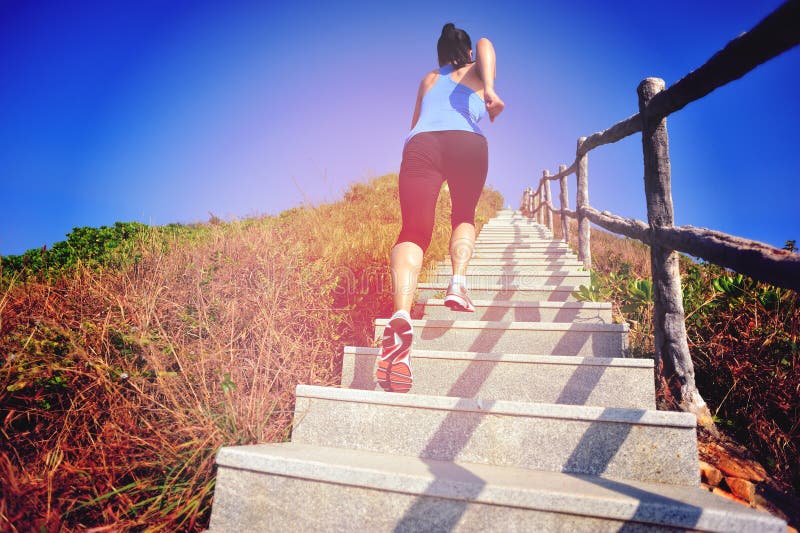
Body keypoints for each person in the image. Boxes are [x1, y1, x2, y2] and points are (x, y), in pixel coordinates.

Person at [377, 23, 505, 393]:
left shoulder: (430, 78)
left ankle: (401, 313)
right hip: (467, 142)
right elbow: (485, 42)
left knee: (413, 231)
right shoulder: (477, 70)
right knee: (463, 215)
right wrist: (491, 90)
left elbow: (414, 124)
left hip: (421, 145)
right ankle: (458, 284)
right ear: (465, 52)